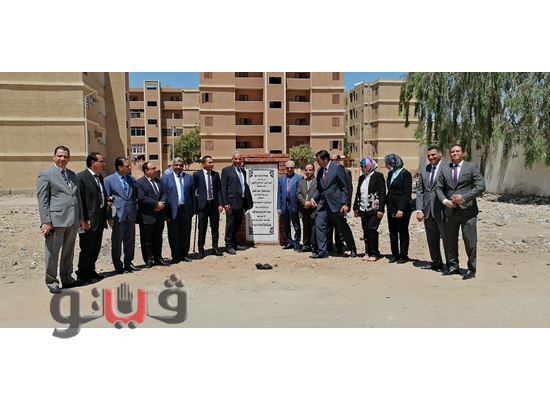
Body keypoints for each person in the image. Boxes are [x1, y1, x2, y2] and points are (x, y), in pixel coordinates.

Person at [36, 146, 85, 294]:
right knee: (52, 252)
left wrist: (81, 218)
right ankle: (51, 282)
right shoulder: (45, 175)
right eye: (59, 156)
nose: (62, 159)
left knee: (68, 251)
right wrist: (46, 221)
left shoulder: (73, 175)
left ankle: (67, 278)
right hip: (55, 220)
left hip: (72, 219)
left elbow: (77, 198)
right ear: (54, 157)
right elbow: (43, 200)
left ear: (69, 158)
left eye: (65, 156)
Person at [435, 144, 486, 280]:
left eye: (457, 151)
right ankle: (453, 266)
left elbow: (481, 186)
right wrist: (445, 201)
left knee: (470, 241)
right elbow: (438, 188)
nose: (455, 153)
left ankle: (471, 269)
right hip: (450, 211)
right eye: (452, 152)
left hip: (468, 211)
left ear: (463, 153)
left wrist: (464, 198)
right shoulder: (444, 168)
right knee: (450, 240)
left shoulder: (472, 167)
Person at [309, 150, 357, 259]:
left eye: (319, 160)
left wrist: (345, 203)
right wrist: (313, 198)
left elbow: (344, 187)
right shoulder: (320, 171)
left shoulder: (337, 168)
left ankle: (352, 248)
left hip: (336, 204)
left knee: (342, 227)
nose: (317, 162)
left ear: (325, 159)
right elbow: (319, 188)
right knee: (319, 224)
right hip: (323, 204)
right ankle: (322, 251)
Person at [76, 152, 111, 285]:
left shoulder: (99, 177)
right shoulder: (81, 177)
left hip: (100, 217)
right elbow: (81, 201)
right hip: (88, 220)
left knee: (96, 247)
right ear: (93, 163)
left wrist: (107, 200)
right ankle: (82, 274)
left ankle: (91, 270)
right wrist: (84, 219)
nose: (103, 164)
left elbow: (99, 195)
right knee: (87, 248)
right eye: (101, 161)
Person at [104, 156, 141, 274]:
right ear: (120, 167)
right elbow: (107, 200)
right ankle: (118, 265)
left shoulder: (131, 179)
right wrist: (109, 217)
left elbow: (134, 197)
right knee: (117, 240)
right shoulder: (108, 180)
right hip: (117, 214)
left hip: (130, 213)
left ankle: (128, 262)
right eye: (127, 166)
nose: (130, 167)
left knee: (130, 240)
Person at [416, 145, 449, 272]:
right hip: (428, 211)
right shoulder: (424, 170)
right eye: (429, 155)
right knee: (432, 239)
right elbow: (420, 191)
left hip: (443, 210)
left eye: (433, 155)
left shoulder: (448, 167)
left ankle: (451, 265)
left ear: (440, 154)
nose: (431, 157)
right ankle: (436, 262)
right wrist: (419, 210)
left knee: (447, 239)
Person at [161, 157, 196, 263]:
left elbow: (193, 195)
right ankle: (175, 256)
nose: (178, 167)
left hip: (186, 209)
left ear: (183, 166)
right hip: (172, 210)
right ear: (172, 166)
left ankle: (184, 254)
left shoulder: (189, 178)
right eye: (176, 165)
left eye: (180, 165)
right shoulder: (165, 179)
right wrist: (165, 214)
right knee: (173, 234)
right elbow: (163, 197)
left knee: (185, 233)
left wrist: (193, 210)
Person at [136, 162, 169, 268]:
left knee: (158, 238)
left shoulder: (159, 181)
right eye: (153, 168)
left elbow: (165, 193)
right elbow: (142, 197)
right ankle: (149, 259)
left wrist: (162, 203)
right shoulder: (139, 183)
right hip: (147, 215)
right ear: (146, 171)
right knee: (147, 239)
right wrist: (156, 204)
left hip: (159, 215)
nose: (156, 170)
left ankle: (158, 257)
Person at [221, 151, 254, 255]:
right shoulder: (226, 170)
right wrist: (225, 203)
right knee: (230, 225)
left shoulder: (243, 171)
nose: (238, 161)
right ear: (232, 160)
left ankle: (234, 243)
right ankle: (229, 245)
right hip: (231, 203)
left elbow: (243, 186)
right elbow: (223, 188)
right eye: (236, 159)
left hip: (240, 202)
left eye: (239, 159)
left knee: (237, 224)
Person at [353, 158, 386, 262]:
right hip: (363, 208)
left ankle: (375, 252)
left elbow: (382, 193)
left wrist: (381, 209)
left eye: (363, 166)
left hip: (374, 208)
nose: (362, 168)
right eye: (361, 166)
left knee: (372, 229)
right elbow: (358, 193)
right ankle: (367, 251)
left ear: (369, 166)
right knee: (366, 230)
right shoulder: (362, 178)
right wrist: (355, 207)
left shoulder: (378, 176)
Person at [384, 153, 413, 264]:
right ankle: (395, 254)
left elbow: (407, 193)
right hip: (391, 206)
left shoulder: (405, 174)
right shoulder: (391, 174)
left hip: (402, 207)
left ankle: (403, 255)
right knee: (392, 231)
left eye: (387, 163)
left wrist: (401, 209)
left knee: (403, 231)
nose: (386, 165)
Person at [193, 155, 224, 258]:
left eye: (212, 162)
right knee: (202, 228)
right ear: (203, 164)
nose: (212, 164)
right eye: (209, 162)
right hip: (203, 205)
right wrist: (195, 205)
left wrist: (220, 204)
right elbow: (193, 190)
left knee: (215, 227)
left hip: (214, 205)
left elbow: (219, 190)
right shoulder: (197, 175)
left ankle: (215, 248)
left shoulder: (215, 175)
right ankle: (201, 250)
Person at [326, 153, 353, 254]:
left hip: (339, 204)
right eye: (330, 160)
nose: (332, 162)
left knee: (339, 227)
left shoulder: (345, 171)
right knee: (328, 227)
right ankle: (329, 246)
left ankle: (340, 247)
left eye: (334, 160)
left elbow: (348, 188)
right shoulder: (326, 171)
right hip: (329, 204)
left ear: (339, 160)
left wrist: (347, 204)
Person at [277, 160, 304, 251]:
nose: (289, 169)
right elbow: (279, 194)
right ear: (285, 168)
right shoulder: (281, 179)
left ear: (294, 168)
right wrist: (279, 207)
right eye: (287, 168)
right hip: (285, 204)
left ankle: (296, 242)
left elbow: (301, 192)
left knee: (296, 224)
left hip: (295, 204)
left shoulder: (299, 178)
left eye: (291, 168)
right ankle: (289, 242)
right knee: (286, 225)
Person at [296, 163, 318, 254]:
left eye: (310, 170)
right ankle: (306, 244)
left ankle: (314, 245)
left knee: (314, 228)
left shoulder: (318, 182)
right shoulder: (301, 182)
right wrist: (304, 202)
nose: (308, 172)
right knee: (305, 227)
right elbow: (298, 194)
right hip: (304, 208)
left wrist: (311, 202)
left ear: (314, 171)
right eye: (306, 170)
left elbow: (319, 193)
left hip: (314, 208)